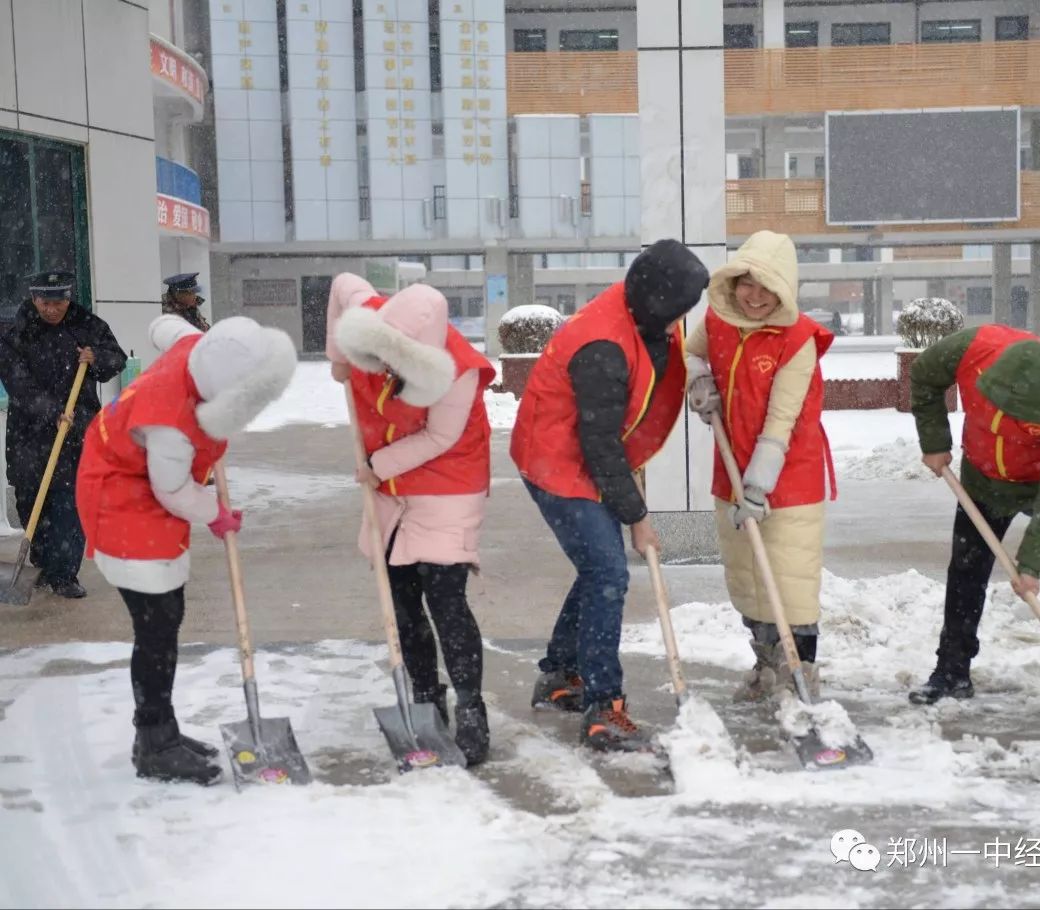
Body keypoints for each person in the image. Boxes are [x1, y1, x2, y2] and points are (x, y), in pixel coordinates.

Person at [76, 314, 297, 784]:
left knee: (166, 616)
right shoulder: (171, 423)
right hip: (121, 500)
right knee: (157, 625)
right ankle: (155, 741)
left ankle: (162, 731)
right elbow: (172, 489)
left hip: (138, 481)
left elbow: (165, 326)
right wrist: (214, 511)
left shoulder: (195, 348)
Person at [510, 239, 709, 752]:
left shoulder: (646, 315)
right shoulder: (602, 344)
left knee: (598, 568)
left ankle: (558, 676)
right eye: (677, 311)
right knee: (609, 572)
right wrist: (637, 516)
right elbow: (596, 443)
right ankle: (603, 709)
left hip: (588, 450)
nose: (680, 321)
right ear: (656, 300)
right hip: (556, 460)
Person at [326, 273, 495, 767]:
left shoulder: (455, 373)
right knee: (400, 600)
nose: (380, 367)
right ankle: (425, 697)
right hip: (389, 481)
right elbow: (342, 284)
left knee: (445, 598)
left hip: (448, 478)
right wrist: (341, 358)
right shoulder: (372, 318)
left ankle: (471, 707)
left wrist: (377, 467)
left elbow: (438, 439)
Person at [907, 324, 1040, 705]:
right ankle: (952, 671)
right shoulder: (969, 349)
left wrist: (1032, 563)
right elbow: (923, 376)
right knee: (966, 571)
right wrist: (934, 441)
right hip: (983, 479)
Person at [684, 231, 836, 701]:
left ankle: (801, 670)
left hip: (788, 473)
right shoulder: (716, 321)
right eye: (747, 284)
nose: (754, 297)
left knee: (790, 579)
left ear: (785, 289)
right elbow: (690, 353)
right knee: (748, 577)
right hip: (729, 470)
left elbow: (782, 420)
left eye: (766, 287)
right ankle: (767, 665)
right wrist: (699, 380)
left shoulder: (798, 339)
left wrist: (758, 486)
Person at [0, 270, 126, 598]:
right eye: (46, 303)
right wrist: (51, 410)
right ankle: (41, 563)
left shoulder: (86, 325)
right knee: (32, 500)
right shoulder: (16, 333)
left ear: (68, 299)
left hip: (79, 429)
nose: (53, 310)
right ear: (33, 299)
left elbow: (117, 359)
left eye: (59, 302)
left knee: (72, 503)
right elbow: (17, 382)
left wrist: (96, 357)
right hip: (30, 432)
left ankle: (64, 573)